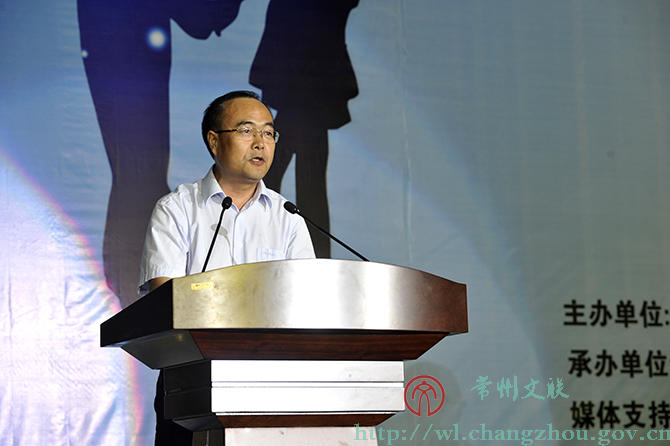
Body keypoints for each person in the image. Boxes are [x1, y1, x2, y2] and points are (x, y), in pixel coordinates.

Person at [138, 90, 316, 445]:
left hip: (272, 382)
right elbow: (165, 298)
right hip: (190, 380)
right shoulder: (177, 209)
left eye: (268, 132)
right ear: (214, 140)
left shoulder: (288, 218)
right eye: (247, 130)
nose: (260, 143)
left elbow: (306, 301)